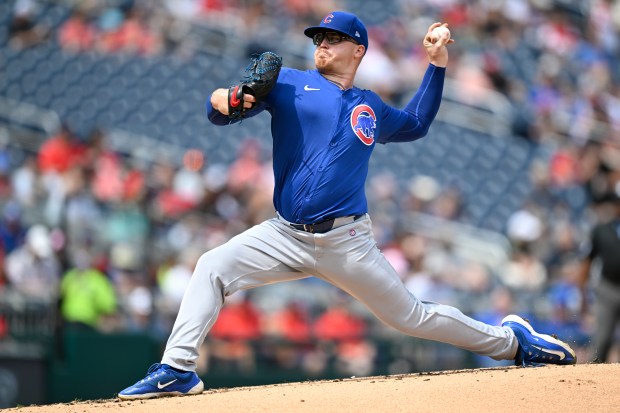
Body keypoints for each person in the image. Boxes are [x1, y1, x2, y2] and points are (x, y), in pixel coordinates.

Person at [118, 11, 576, 400]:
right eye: (318, 37)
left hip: (347, 240)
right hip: (284, 233)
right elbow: (217, 107)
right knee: (211, 266)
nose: (322, 44)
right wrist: (233, 98)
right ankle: (177, 370)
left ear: (358, 50)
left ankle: (513, 344)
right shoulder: (289, 84)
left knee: (411, 317)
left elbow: (416, 123)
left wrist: (436, 66)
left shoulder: (369, 106)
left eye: (333, 38)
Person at [578, 187, 620, 362]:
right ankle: (592, 380)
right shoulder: (601, 231)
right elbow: (587, 262)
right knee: (602, 338)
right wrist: (582, 294)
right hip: (608, 288)